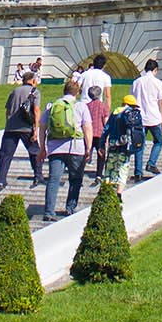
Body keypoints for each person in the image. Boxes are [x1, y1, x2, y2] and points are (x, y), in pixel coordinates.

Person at [42, 77, 92, 220]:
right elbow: (87, 128)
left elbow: (42, 127)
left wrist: (42, 147)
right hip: (75, 147)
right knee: (75, 179)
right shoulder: (81, 106)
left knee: (53, 180)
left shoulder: (52, 106)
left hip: (55, 148)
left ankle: (48, 212)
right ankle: (70, 208)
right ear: (77, 93)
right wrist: (88, 147)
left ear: (64, 91)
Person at [0, 72, 43, 191]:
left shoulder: (14, 91)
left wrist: (9, 122)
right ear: (32, 80)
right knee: (34, 151)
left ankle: (1, 180)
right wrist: (35, 129)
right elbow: (36, 111)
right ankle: (38, 176)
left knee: (5, 155)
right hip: (26, 127)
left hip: (11, 127)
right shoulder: (34, 92)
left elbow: (7, 110)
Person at [132, 58, 162, 180]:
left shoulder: (137, 82)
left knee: (139, 144)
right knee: (158, 141)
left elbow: (131, 100)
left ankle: (138, 171)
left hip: (139, 118)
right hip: (154, 117)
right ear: (155, 70)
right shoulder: (158, 83)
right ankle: (151, 163)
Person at [103, 94, 143, 188]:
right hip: (126, 145)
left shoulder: (115, 112)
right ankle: (119, 193)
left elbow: (106, 129)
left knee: (110, 168)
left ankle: (107, 189)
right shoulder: (133, 114)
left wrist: (102, 144)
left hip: (113, 143)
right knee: (123, 168)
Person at [84, 83, 111, 180]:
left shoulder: (86, 106)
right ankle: (99, 174)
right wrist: (107, 134)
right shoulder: (103, 106)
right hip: (99, 134)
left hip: (88, 134)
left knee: (86, 154)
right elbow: (106, 121)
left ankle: (79, 171)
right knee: (101, 154)